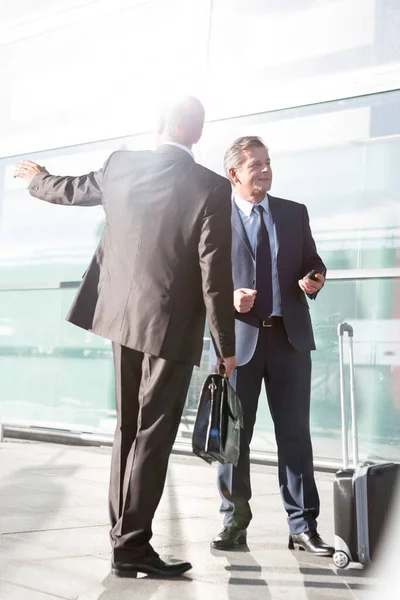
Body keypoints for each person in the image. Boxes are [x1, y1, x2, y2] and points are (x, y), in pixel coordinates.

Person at [14, 96, 237, 578]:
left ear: (159, 126)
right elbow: (214, 273)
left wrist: (36, 178)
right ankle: (132, 545)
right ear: (197, 134)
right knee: (153, 436)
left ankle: (123, 533)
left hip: (121, 318)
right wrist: (226, 346)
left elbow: (70, 190)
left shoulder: (121, 165)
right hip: (171, 327)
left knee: (127, 429)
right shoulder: (211, 187)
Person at [210, 135, 334, 556]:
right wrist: (229, 299)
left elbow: (312, 262)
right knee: (234, 439)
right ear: (234, 174)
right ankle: (234, 523)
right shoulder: (213, 218)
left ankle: (302, 526)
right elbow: (197, 280)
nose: (265, 170)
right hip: (238, 343)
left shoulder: (293, 212)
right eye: (255, 165)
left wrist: (314, 278)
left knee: (295, 437)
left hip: (290, 339)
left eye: (267, 162)